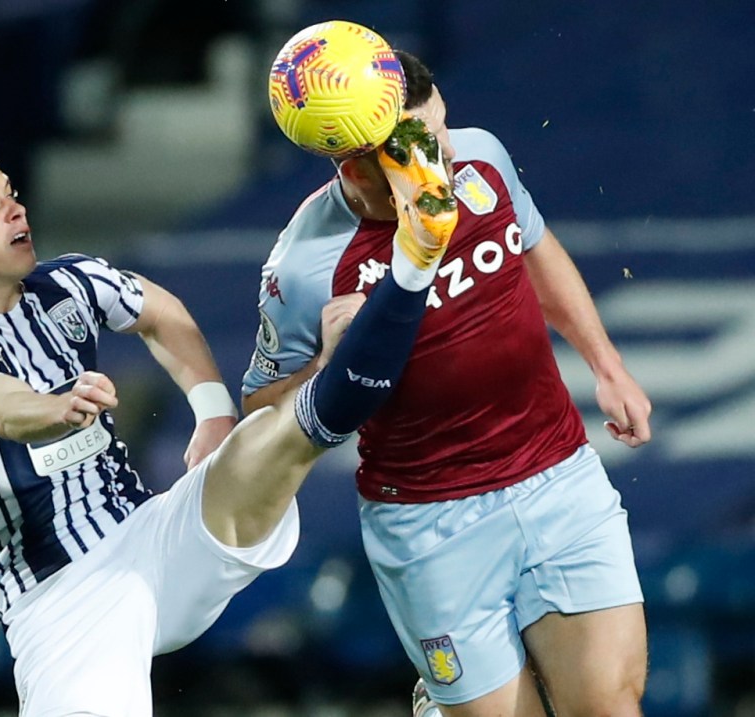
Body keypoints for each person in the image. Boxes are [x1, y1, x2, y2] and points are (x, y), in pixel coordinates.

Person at [0, 134, 456, 716]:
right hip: (60, 597)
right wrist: (56, 409)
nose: (15, 207)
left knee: (260, 441)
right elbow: (0, 407)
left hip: (154, 537)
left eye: (10, 192)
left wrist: (213, 412)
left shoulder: (64, 282)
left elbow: (161, 313)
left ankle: (374, 319)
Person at [242, 50, 652, 717]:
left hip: (559, 476)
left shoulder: (479, 156)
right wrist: (326, 367)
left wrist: (606, 365)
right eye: (419, 147)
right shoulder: (304, 267)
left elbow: (535, 246)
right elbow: (258, 407)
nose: (445, 158)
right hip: (432, 523)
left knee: (608, 705)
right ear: (356, 166)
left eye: (442, 131)